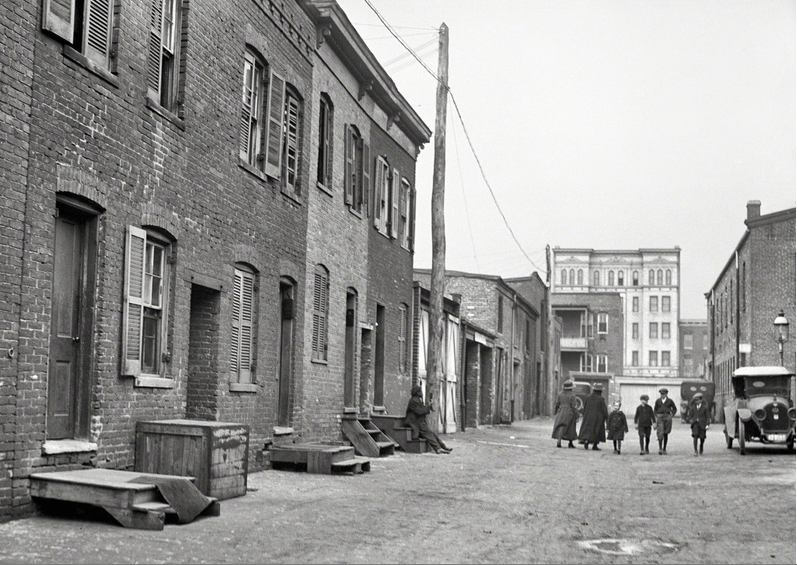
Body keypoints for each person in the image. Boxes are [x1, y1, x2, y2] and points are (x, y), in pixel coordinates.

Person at [403, 385, 452, 454]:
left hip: (418, 422)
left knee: (432, 433)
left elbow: (421, 409)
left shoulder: (416, 399)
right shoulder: (414, 400)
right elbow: (419, 411)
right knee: (428, 433)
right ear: (417, 392)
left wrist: (428, 405)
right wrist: (428, 406)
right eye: (420, 391)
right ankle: (438, 448)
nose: (422, 393)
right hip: (414, 422)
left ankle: (443, 447)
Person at [577, 383, 609, 450]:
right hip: (598, 418)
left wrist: (584, 414)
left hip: (588, 416)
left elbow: (584, 407)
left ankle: (586, 441)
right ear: (600, 391)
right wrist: (607, 418)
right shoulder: (601, 399)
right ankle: (595, 445)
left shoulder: (588, 397)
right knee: (596, 431)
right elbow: (604, 409)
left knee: (587, 430)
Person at [552, 380, 579, 448]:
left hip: (561, 411)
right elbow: (574, 406)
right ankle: (570, 442)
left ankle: (559, 439)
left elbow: (557, 404)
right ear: (571, 388)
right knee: (571, 427)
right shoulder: (572, 395)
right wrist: (577, 415)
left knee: (560, 425)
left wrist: (556, 412)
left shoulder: (560, 394)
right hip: (569, 412)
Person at [654, 387, 678, 454]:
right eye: (661, 394)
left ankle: (664, 448)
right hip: (660, 417)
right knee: (660, 432)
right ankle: (660, 448)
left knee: (666, 433)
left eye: (664, 394)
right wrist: (656, 415)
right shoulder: (658, 401)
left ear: (666, 394)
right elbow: (655, 409)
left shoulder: (670, 401)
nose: (662, 395)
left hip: (667, 417)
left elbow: (675, 409)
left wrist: (671, 415)